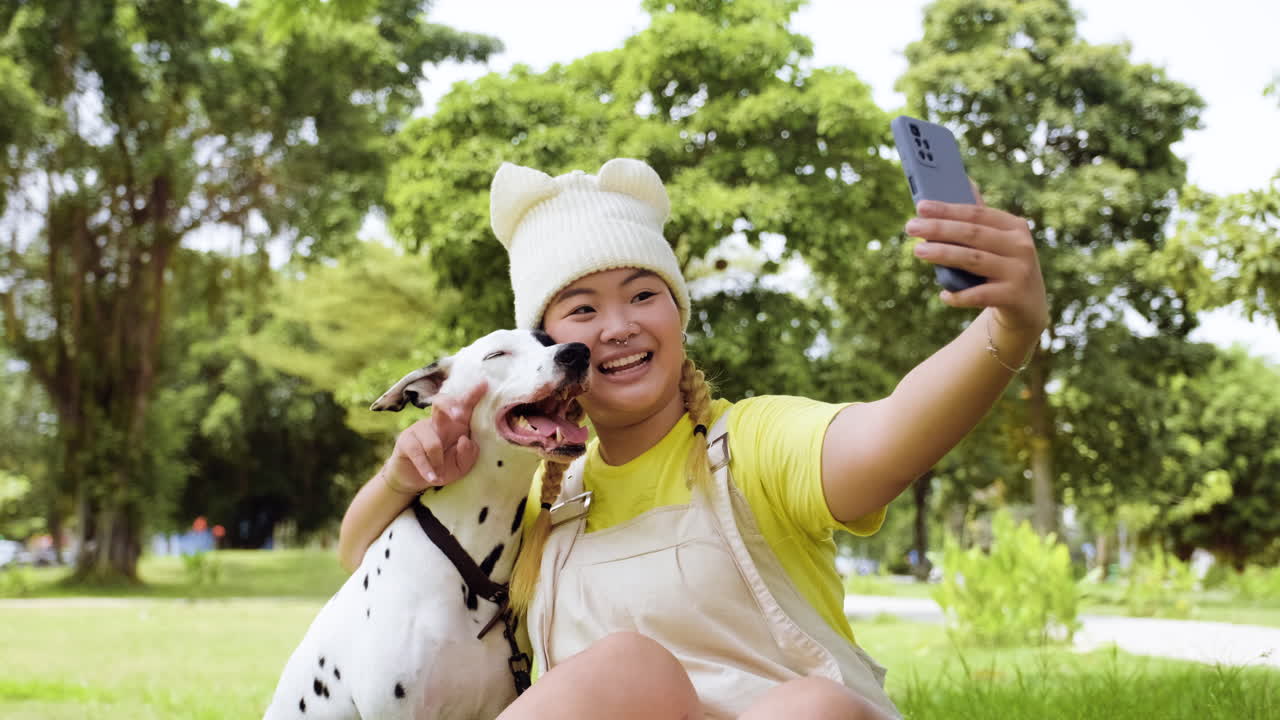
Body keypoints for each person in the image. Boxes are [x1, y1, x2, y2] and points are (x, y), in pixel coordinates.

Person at [339, 158, 1049, 719]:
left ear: (678, 316)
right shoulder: (539, 496)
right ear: (549, 352)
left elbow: (890, 432)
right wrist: (401, 477)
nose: (618, 326)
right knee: (625, 668)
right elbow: (362, 557)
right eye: (583, 309)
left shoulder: (753, 443)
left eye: (643, 295)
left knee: (816, 708)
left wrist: (1007, 327)